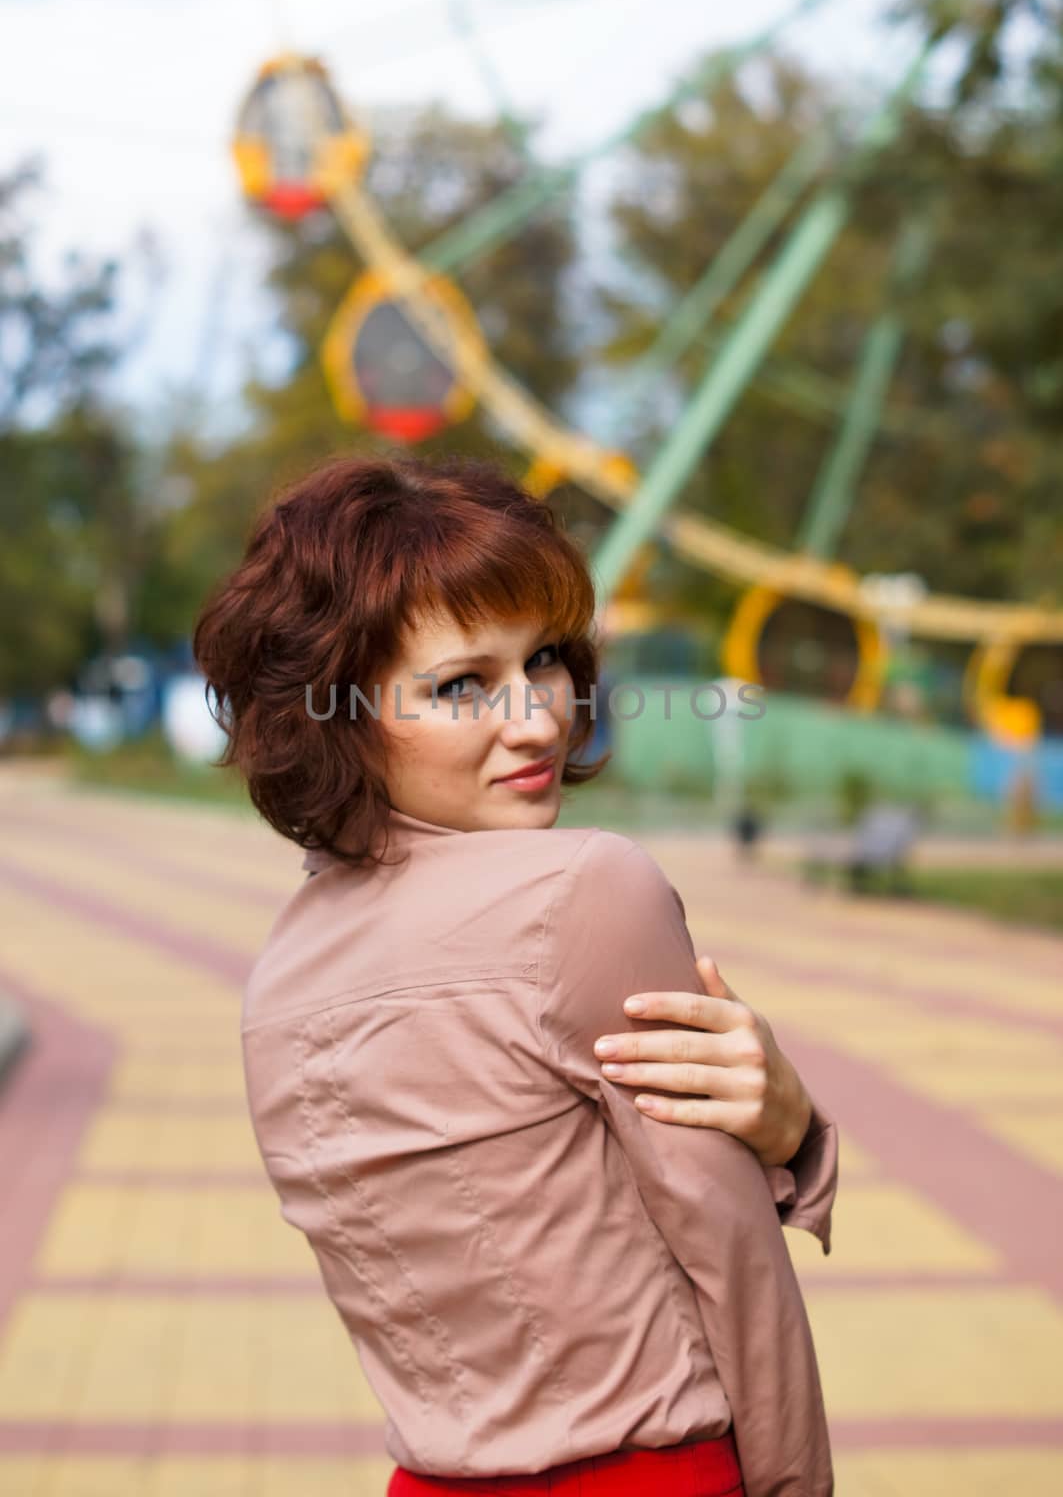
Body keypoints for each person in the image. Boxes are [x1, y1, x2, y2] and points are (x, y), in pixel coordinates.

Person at [193, 453, 836, 1497]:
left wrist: (787, 1136)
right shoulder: (588, 889)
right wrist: (798, 1140)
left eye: (543, 660)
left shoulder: (279, 981)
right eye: (460, 685)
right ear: (339, 714)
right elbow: (732, 1262)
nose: (537, 718)